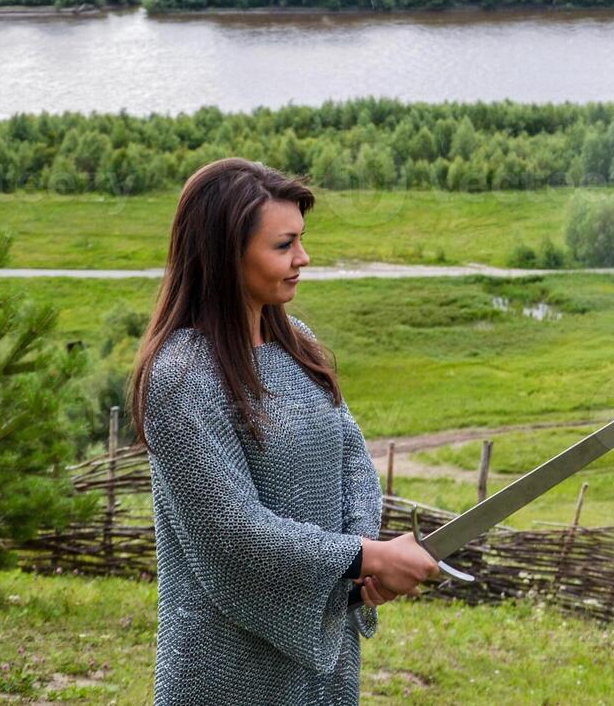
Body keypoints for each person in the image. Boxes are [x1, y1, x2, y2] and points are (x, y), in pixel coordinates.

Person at [128, 158, 440, 706]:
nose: (303, 258)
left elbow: (352, 460)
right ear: (226, 255)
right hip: (223, 668)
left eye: (301, 240)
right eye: (283, 245)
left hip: (324, 651)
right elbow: (232, 533)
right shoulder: (181, 377)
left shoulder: (298, 341)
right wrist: (365, 557)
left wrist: (363, 559)